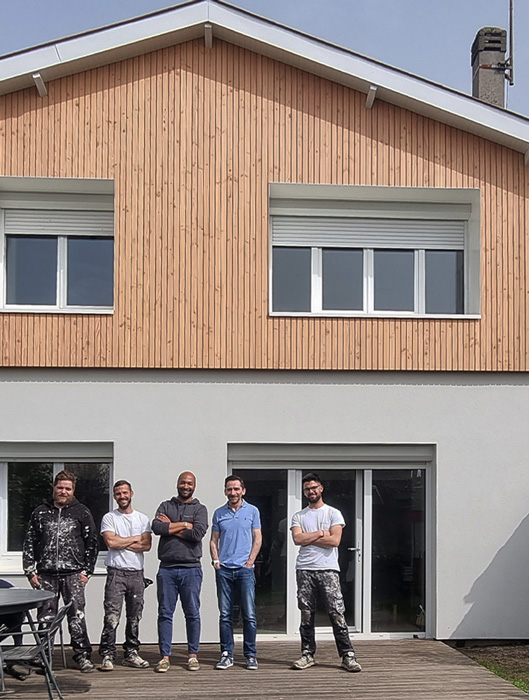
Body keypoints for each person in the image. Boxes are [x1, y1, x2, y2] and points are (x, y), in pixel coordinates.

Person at [22, 469, 98, 673]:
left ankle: (82, 656)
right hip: (45, 575)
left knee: (76, 616)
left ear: (73, 491)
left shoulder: (82, 512)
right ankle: (44, 658)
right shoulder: (40, 512)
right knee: (45, 618)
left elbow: (92, 543)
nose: (63, 491)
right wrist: (30, 571)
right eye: (60, 487)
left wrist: (87, 572)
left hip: (73, 574)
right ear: (54, 488)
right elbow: (29, 542)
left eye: (68, 488)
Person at [290, 472, 361, 673]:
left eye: (314, 487)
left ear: (321, 488)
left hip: (328, 569)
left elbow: (335, 541)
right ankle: (307, 654)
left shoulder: (333, 513)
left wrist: (309, 538)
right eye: (307, 489)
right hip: (305, 569)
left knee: (336, 612)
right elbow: (297, 540)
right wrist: (321, 533)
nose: (311, 491)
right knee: (306, 614)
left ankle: (348, 655)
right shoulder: (298, 516)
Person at [151, 471, 208, 673]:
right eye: (183, 482)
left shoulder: (200, 509)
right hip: (167, 568)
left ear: (194, 486)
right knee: (165, 613)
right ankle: (165, 657)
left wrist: (171, 526)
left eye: (189, 483)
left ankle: (192, 656)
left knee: (192, 613)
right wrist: (184, 525)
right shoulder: (165, 505)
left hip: (191, 569)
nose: (186, 486)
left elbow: (197, 534)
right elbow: (157, 527)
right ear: (177, 484)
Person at [98, 479, 152, 671]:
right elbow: (111, 543)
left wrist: (122, 541)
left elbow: (146, 545)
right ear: (115, 496)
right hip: (116, 574)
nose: (122, 496)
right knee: (111, 616)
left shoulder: (142, 519)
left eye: (125, 492)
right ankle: (107, 654)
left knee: (134, 616)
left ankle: (131, 653)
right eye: (118, 493)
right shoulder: (109, 518)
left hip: (137, 574)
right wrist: (135, 538)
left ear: (131, 494)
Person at [210, 475, 262, 671]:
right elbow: (214, 540)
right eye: (229, 489)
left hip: (244, 570)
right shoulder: (219, 513)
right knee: (225, 615)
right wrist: (216, 561)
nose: (233, 492)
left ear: (243, 491)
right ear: (225, 491)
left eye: (236, 489)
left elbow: (257, 538)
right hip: (224, 570)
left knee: (249, 614)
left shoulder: (253, 511)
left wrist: (250, 562)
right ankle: (226, 654)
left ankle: (250, 655)